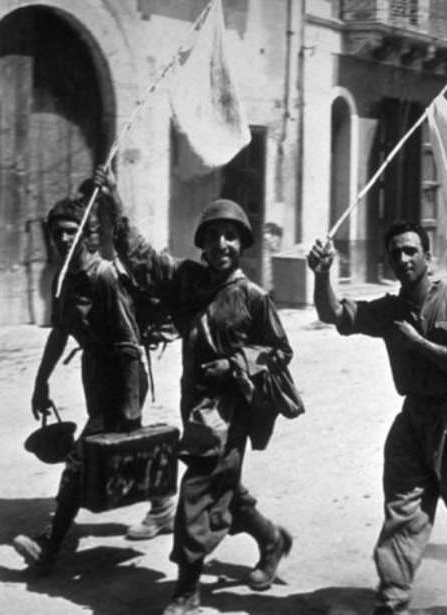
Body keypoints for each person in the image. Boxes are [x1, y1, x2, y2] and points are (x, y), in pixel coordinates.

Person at [99, 169, 295, 615]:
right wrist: (115, 204)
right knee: (225, 490)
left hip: (231, 414)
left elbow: (280, 351)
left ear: (242, 244)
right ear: (203, 242)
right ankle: (272, 540)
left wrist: (236, 362)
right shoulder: (186, 280)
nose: (222, 244)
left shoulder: (253, 297)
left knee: (196, 494)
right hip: (197, 410)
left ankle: (187, 590)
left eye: (231, 237)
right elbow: (143, 260)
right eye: (214, 236)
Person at [308, 221, 447, 615]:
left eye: (410, 251)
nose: (403, 258)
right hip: (415, 419)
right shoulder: (389, 310)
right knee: (403, 508)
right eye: (396, 253)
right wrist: (321, 274)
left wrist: (417, 342)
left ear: (427, 257)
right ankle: (394, 595)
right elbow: (332, 313)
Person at [13, 192, 175, 574]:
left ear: (87, 234)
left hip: (121, 375)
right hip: (95, 375)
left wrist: (131, 401)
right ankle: (164, 504)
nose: (63, 239)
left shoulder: (105, 277)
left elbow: (129, 343)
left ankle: (50, 547)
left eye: (71, 232)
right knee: (116, 452)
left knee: (81, 458)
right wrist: (41, 381)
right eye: (57, 233)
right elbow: (59, 332)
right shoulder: (63, 280)